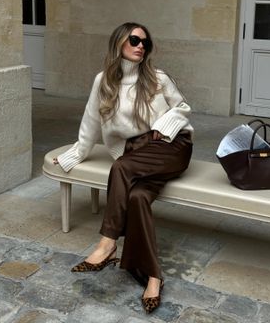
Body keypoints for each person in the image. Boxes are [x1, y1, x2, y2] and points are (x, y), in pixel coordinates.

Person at [53, 22, 193, 313]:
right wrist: (74, 154)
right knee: (138, 197)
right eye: (134, 40)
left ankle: (106, 244)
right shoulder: (103, 81)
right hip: (137, 153)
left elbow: (182, 108)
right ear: (119, 43)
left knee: (120, 168)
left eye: (146, 42)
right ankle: (153, 277)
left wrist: (164, 126)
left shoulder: (157, 78)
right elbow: (90, 122)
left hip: (171, 146)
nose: (141, 46)